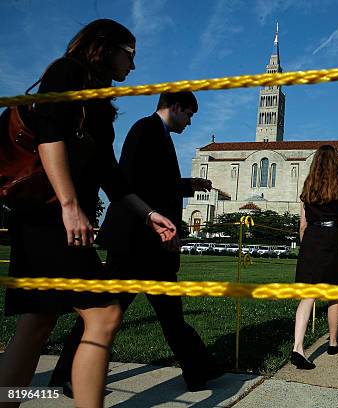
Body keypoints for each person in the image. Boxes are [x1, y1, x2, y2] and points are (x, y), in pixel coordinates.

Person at [0, 19, 176, 408]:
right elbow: (50, 138)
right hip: (49, 218)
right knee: (105, 315)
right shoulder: (67, 72)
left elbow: (108, 172)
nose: (133, 67)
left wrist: (148, 214)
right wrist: (69, 205)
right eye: (129, 56)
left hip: (48, 220)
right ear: (105, 47)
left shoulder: (96, 101)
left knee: (36, 323)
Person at [49, 92, 221, 392]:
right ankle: (68, 374)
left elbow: (155, 182)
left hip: (153, 245)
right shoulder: (145, 129)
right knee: (103, 313)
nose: (190, 122)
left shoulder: (159, 134)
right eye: (189, 114)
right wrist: (161, 216)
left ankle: (199, 371)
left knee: (170, 313)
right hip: (134, 242)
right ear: (176, 107)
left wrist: (187, 186)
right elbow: (129, 182)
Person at [290, 145, 338, 369]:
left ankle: (297, 347)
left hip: (311, 238)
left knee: (308, 295)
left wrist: (307, 245)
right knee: (334, 293)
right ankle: (332, 341)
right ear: (334, 162)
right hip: (332, 238)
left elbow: (302, 224)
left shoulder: (308, 185)